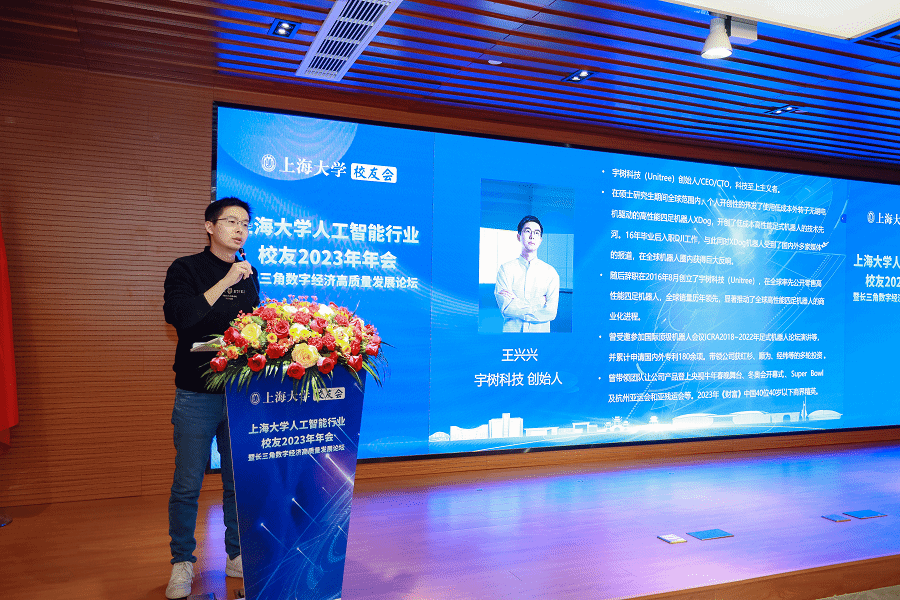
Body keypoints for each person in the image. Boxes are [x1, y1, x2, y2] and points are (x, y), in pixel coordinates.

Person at [162, 197, 260, 599]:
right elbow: (182, 318)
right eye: (231, 221)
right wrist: (227, 280)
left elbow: (250, 325)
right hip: (196, 394)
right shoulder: (185, 268)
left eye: (246, 224)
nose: (240, 229)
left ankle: (236, 555)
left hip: (238, 394)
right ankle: (182, 562)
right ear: (209, 226)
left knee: (239, 483)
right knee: (188, 484)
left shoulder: (250, 272)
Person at [494, 215, 560, 333]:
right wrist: (539, 302)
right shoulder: (505, 269)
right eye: (527, 231)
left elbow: (550, 312)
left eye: (536, 233)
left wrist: (516, 303)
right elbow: (506, 308)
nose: (532, 236)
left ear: (540, 240)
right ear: (518, 236)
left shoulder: (551, 273)